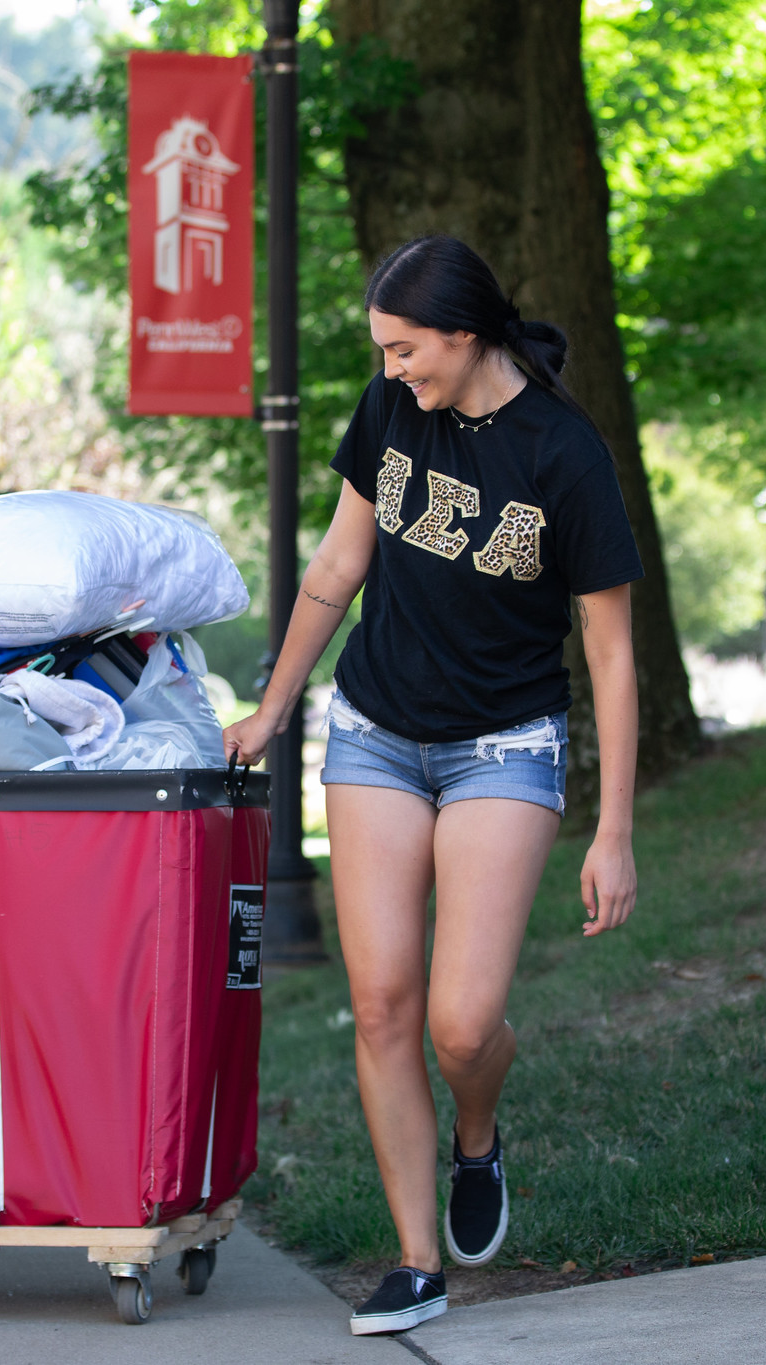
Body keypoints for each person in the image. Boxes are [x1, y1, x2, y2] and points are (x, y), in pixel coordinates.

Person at [224, 236, 641, 1337]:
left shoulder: (563, 456)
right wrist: (272, 707)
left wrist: (614, 833)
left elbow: (608, 654)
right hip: (372, 734)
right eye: (382, 350)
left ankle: (475, 1133)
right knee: (381, 1004)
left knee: (459, 1027)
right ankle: (415, 1260)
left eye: (404, 348)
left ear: (464, 333)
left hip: (502, 747)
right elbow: (336, 565)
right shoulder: (390, 410)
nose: (391, 366)